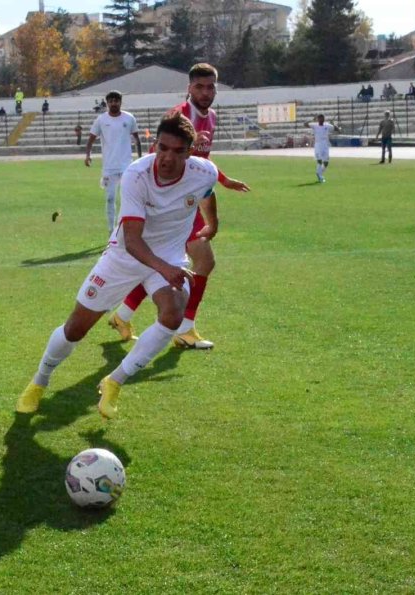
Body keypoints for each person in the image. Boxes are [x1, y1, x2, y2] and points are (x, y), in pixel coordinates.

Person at [16, 112, 218, 419]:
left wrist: (212, 224)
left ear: (189, 153)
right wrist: (164, 267)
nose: (167, 157)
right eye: (162, 148)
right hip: (124, 257)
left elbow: (207, 192)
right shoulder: (136, 175)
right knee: (75, 329)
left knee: (173, 312)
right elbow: (133, 240)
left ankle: (114, 381)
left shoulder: (204, 172)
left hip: (167, 258)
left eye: (178, 151)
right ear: (154, 145)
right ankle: (39, 381)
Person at [109, 63, 250, 351]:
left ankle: (123, 316)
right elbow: (155, 159)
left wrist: (223, 180)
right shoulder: (177, 117)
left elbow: (201, 163)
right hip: (165, 203)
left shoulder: (210, 118)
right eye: (199, 86)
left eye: (211, 86)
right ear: (189, 88)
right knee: (203, 262)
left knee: (168, 264)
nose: (206, 92)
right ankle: (184, 329)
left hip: (186, 202)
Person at [84, 90, 141, 235]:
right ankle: (111, 230)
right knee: (110, 199)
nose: (114, 103)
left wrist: (140, 159)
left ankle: (123, 228)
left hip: (127, 166)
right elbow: (91, 138)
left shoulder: (129, 118)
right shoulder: (101, 120)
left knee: (128, 198)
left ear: (120, 102)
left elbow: (137, 139)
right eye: (111, 101)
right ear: (107, 102)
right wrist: (87, 155)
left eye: (116, 101)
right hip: (109, 167)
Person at [304, 114, 341, 182]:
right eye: (320, 118)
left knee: (326, 162)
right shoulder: (315, 125)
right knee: (319, 161)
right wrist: (312, 119)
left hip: (325, 145)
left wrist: (334, 125)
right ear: (318, 119)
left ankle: (319, 173)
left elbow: (337, 129)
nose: (321, 120)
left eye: (322, 118)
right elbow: (305, 124)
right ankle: (320, 176)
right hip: (318, 145)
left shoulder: (327, 125)